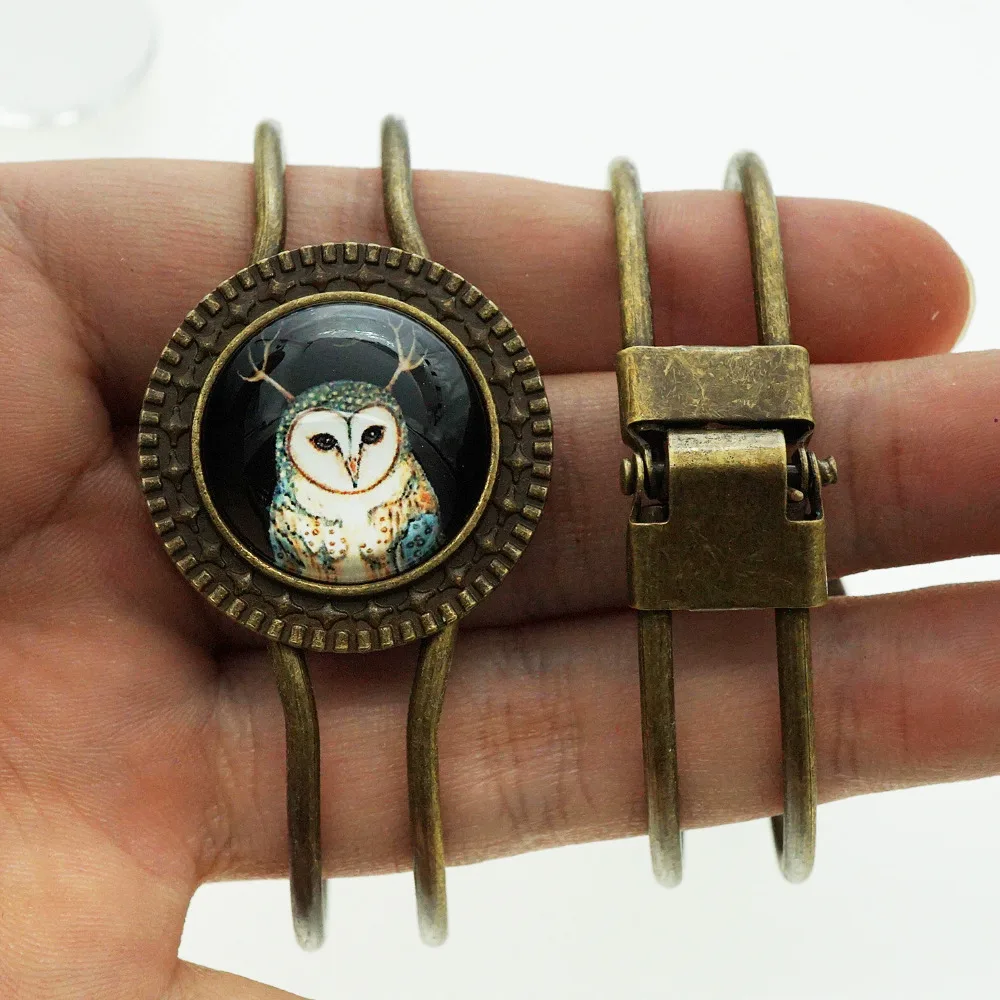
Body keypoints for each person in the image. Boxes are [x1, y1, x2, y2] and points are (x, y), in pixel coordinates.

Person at [0, 159, 988, 998]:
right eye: (326, 443)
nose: (352, 458)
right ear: (288, 445)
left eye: (371, 438)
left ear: (400, 433)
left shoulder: (423, 497)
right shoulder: (262, 496)